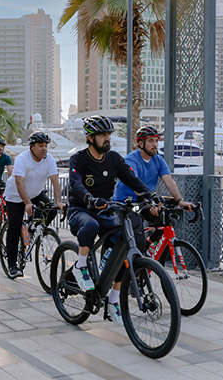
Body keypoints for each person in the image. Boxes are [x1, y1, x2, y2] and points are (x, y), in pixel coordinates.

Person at [67, 115, 152, 325]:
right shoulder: (78, 159)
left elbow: (132, 180)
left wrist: (150, 195)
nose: (107, 139)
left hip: (106, 209)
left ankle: (113, 300)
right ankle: (80, 266)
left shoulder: (114, 158)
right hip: (81, 209)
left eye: (108, 135)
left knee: (124, 246)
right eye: (103, 135)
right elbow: (77, 184)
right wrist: (90, 199)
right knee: (91, 225)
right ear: (90, 138)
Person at [3, 131, 64, 279]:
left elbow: (55, 180)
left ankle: (31, 230)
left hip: (36, 193)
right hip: (16, 195)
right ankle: (12, 265)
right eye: (40, 145)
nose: (44, 148)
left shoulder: (48, 159)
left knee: (51, 211)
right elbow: (19, 182)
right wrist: (27, 203)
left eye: (46, 146)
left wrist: (59, 201)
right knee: (14, 227)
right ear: (32, 147)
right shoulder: (22, 159)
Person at [113, 125, 194, 210]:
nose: (155, 144)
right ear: (141, 144)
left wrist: (179, 201)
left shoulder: (158, 159)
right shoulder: (131, 160)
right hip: (126, 204)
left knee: (169, 218)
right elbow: (134, 183)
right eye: (150, 141)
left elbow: (169, 181)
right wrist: (149, 202)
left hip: (148, 201)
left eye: (156, 141)